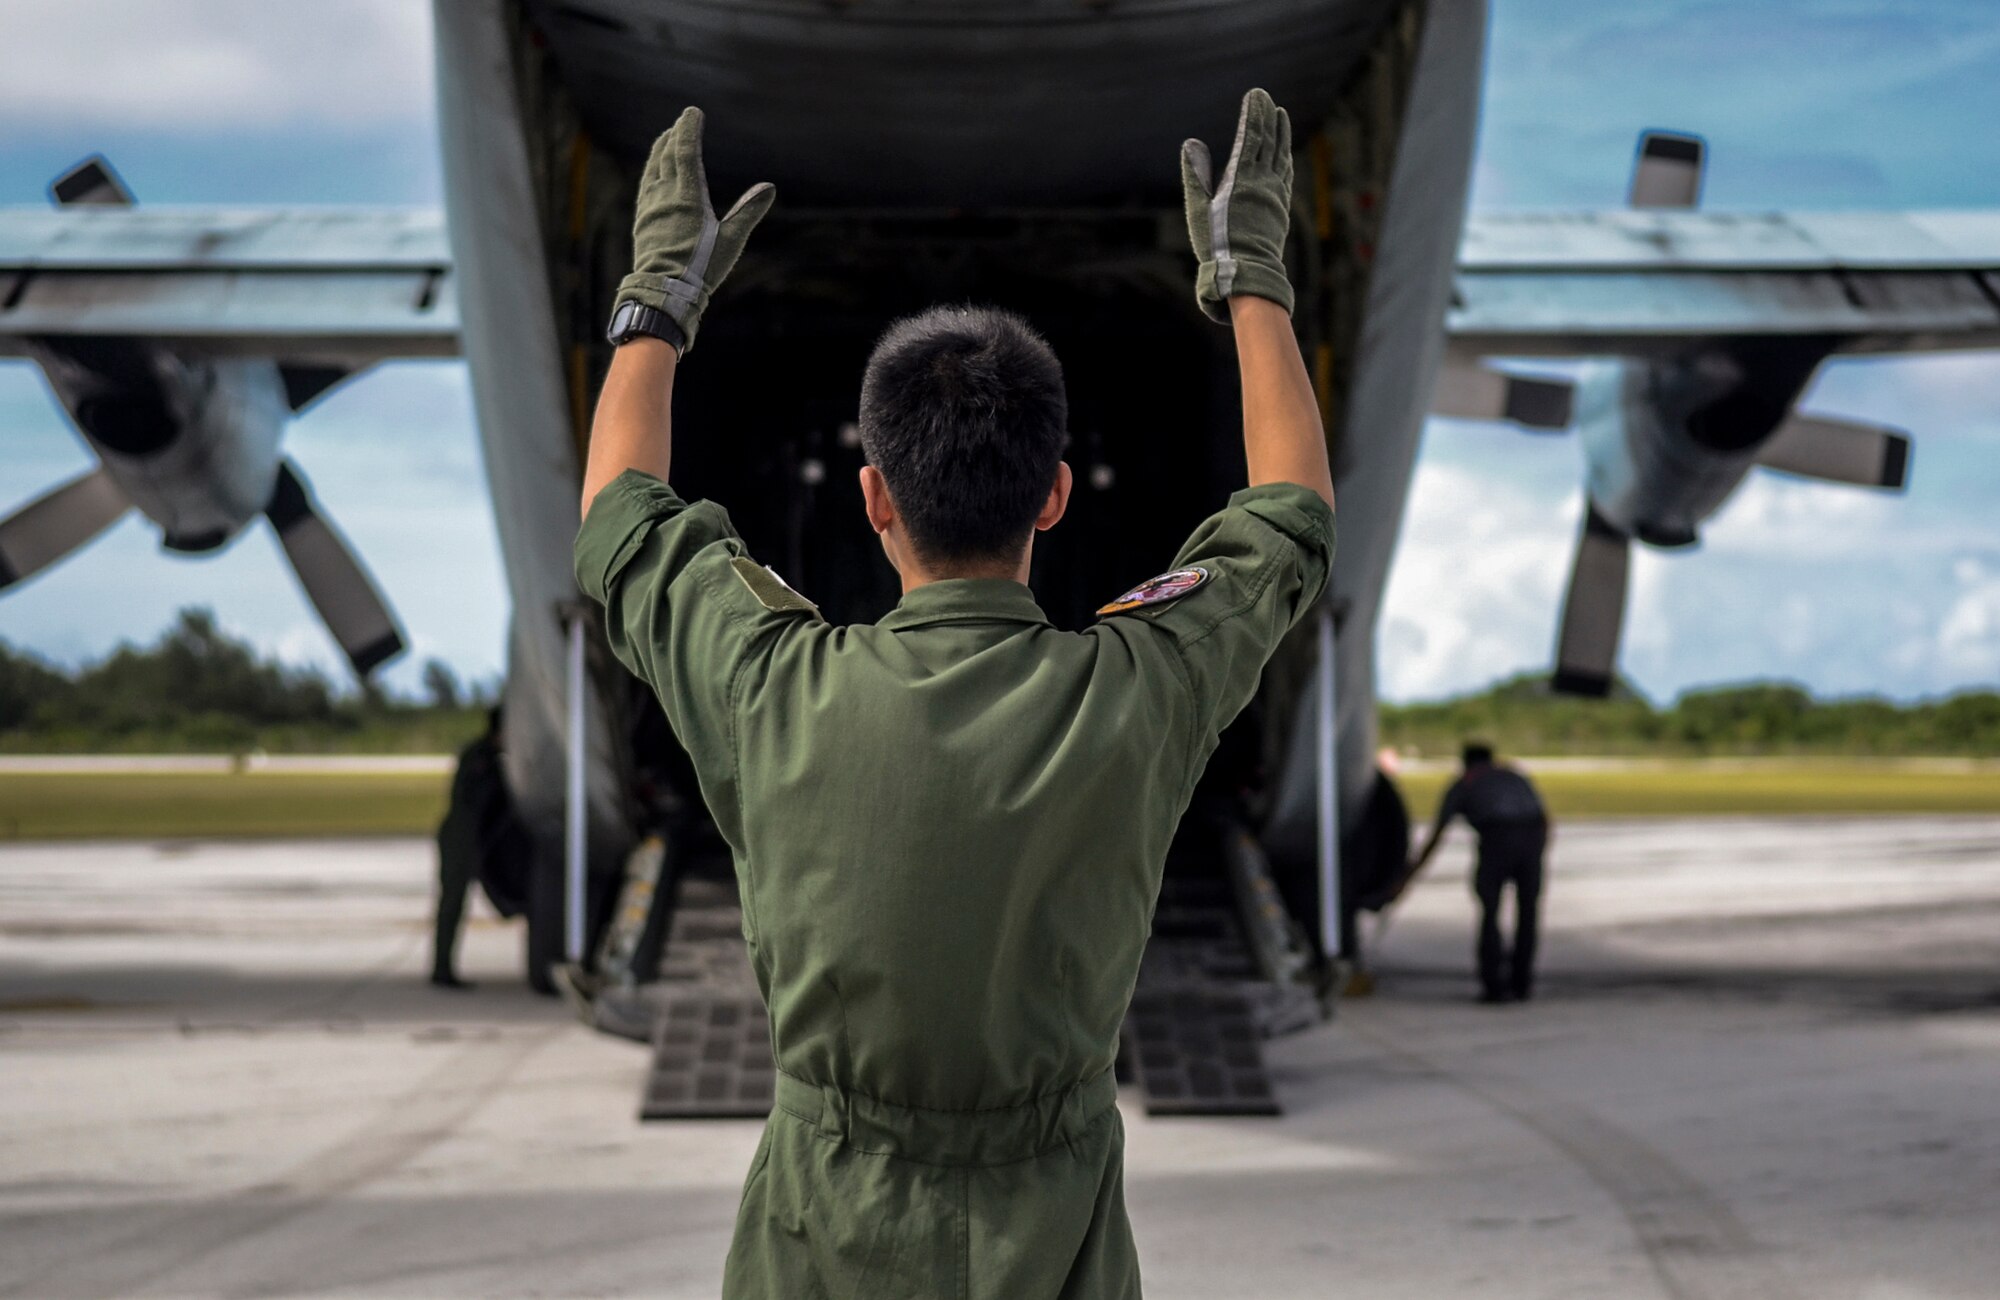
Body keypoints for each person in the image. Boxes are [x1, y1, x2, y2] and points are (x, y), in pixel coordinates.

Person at [574, 90, 1331, 1299]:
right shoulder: (1138, 689)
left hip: (819, 1236)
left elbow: (618, 510)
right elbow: (1291, 515)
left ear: (874, 499)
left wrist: (657, 294)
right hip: (1058, 1240)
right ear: (1054, 496)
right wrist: (1251, 278)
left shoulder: (768, 684)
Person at [1405, 742, 1550, 1004]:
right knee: (1528, 912)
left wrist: (1412, 871)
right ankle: (1522, 982)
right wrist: (1537, 851)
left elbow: (1438, 832)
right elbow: (1543, 817)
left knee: (1490, 913)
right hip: (1531, 839)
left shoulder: (1465, 783)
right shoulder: (1514, 775)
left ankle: (1494, 984)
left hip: (1497, 840)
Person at [431, 706, 504, 989]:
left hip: (465, 838)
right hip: (459, 839)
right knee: (451, 904)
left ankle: (443, 967)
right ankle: (442, 969)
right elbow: (473, 800)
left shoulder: (484, 755)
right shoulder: (481, 757)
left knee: (454, 905)